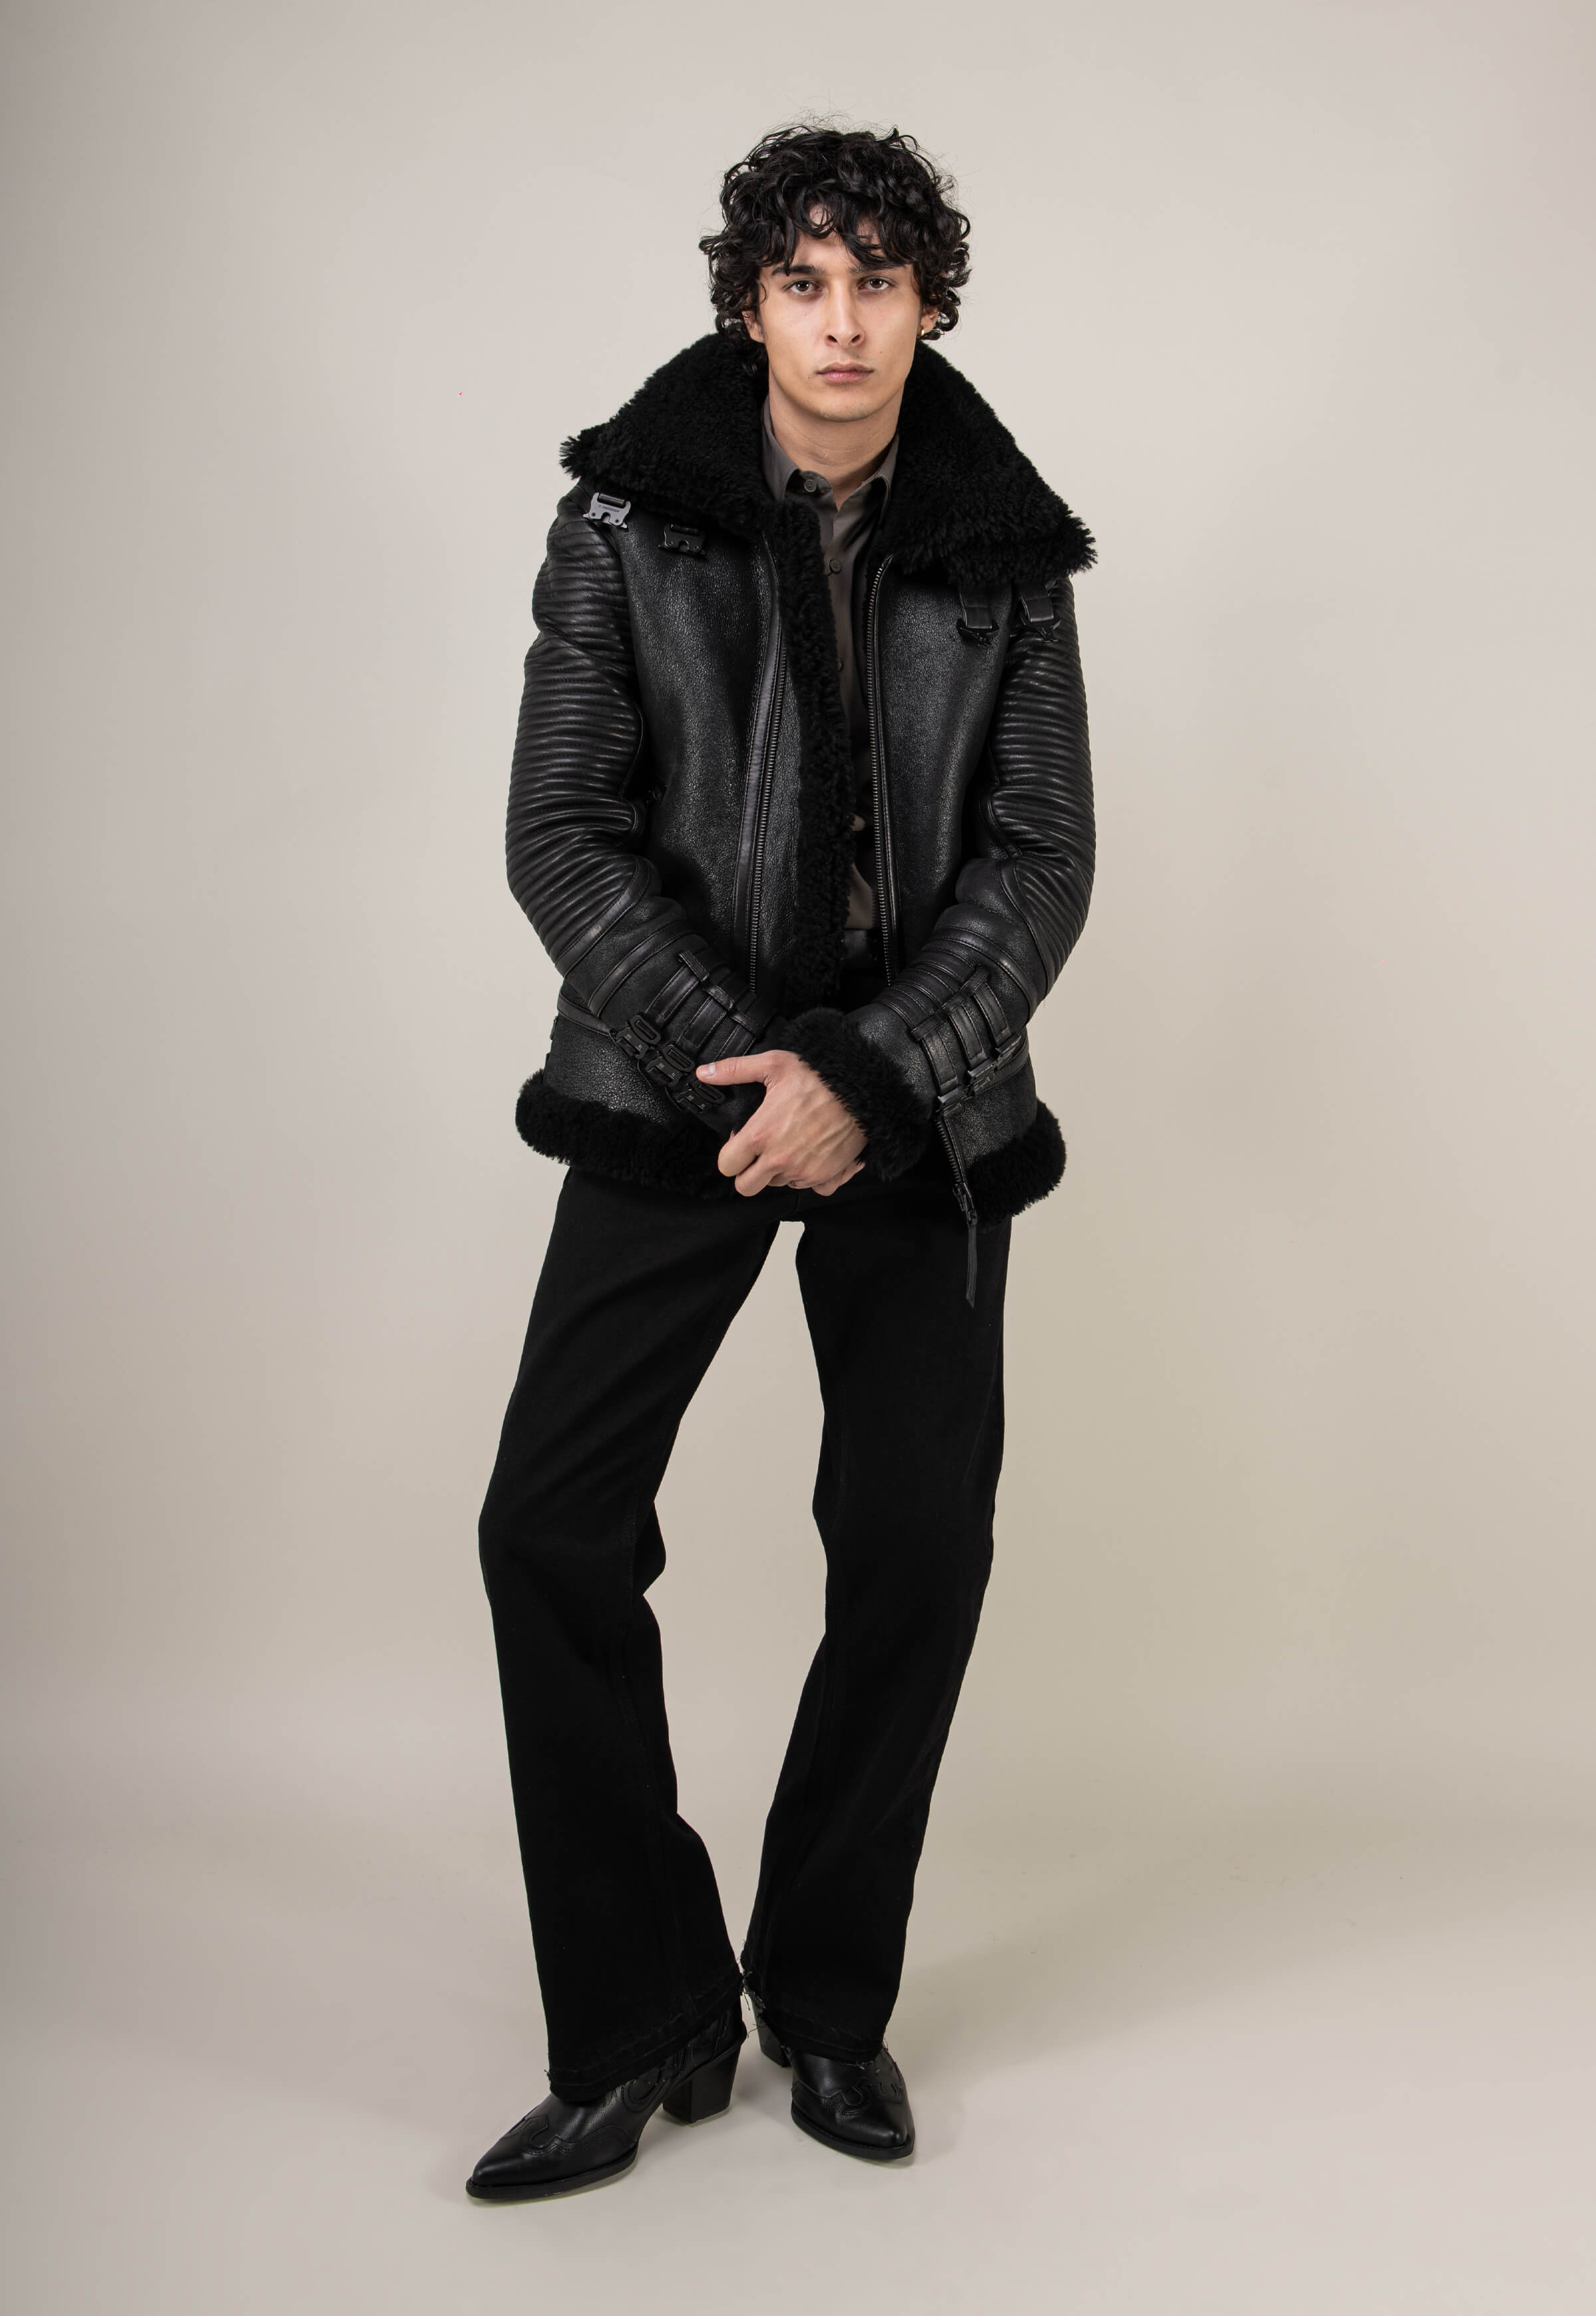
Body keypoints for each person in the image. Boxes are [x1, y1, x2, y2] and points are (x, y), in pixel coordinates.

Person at [467, 123, 1095, 2202]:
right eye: (804, 284)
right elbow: (559, 833)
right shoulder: (623, 522)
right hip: (681, 1084)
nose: (841, 325)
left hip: (922, 1104)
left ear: (930, 308)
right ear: (749, 305)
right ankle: (641, 2013)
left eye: (877, 285)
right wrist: (743, 1072)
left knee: (916, 1546)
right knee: (550, 1527)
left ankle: (825, 2000)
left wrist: (870, 1074)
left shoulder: (1006, 553)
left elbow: (1041, 865)